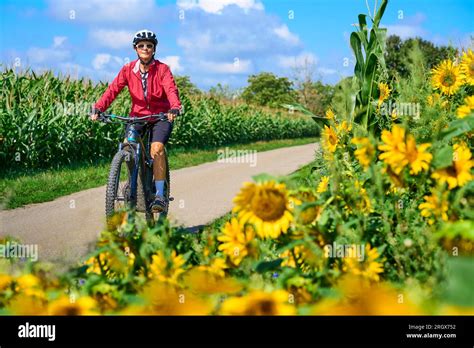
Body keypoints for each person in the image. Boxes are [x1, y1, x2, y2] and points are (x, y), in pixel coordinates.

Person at [91, 29, 181, 213]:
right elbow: (112, 90)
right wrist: (98, 108)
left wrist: (174, 107)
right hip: (138, 115)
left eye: (149, 46)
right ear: (135, 49)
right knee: (127, 146)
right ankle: (133, 185)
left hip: (160, 116)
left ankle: (158, 194)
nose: (145, 48)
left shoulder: (162, 69)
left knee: (156, 148)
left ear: (154, 49)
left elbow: (170, 89)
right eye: (141, 46)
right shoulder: (127, 70)